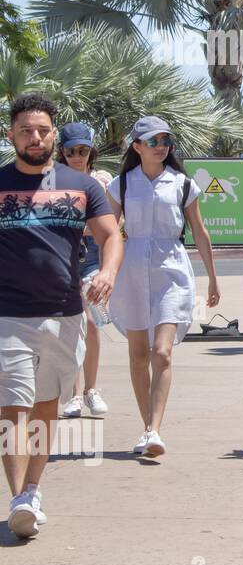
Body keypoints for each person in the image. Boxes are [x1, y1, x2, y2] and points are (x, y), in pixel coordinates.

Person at [1, 93, 122, 538]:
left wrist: (107, 271)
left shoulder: (82, 186)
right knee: (12, 406)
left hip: (65, 312)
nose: (35, 138)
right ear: (11, 135)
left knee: (45, 404)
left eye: (43, 130)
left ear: (55, 133)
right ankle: (18, 497)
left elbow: (112, 236)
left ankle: (33, 490)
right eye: (26, 130)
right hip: (7, 314)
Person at [106, 116, 219, 459]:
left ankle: (155, 428)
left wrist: (213, 276)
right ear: (137, 146)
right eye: (153, 141)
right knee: (139, 355)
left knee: (162, 353)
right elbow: (107, 231)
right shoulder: (121, 185)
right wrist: (103, 273)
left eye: (166, 140)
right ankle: (147, 428)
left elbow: (199, 230)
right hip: (132, 271)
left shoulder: (182, 184)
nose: (161, 147)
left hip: (172, 270)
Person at [57, 122, 114, 419]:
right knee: (71, 327)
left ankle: (90, 389)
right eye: (71, 151)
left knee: (90, 323)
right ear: (62, 152)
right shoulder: (53, 181)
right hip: (63, 260)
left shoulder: (101, 181)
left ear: (91, 150)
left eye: (83, 150)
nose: (77, 156)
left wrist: (108, 270)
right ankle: (73, 393)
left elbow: (111, 229)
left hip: (91, 259)